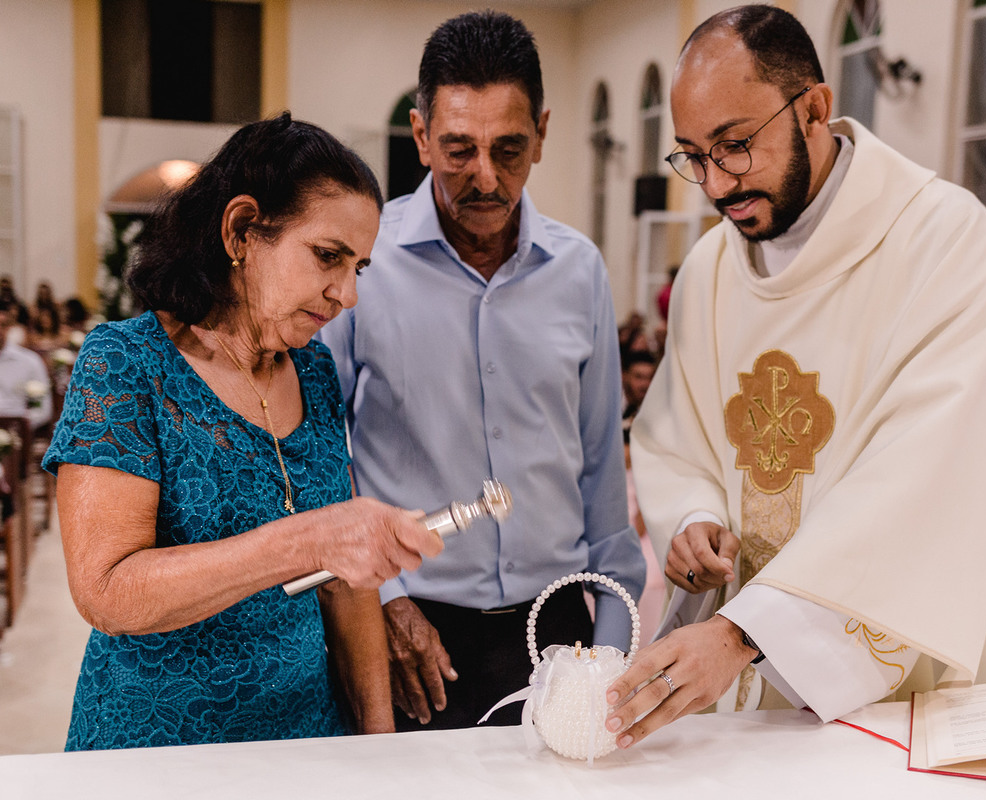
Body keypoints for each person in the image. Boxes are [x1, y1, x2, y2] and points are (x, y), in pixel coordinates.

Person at [606, 5, 986, 749]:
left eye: (734, 146)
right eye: (693, 156)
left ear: (816, 108)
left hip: (901, 690)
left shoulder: (945, 246)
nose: (715, 185)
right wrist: (694, 517)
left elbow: (925, 482)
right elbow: (676, 436)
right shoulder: (710, 270)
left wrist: (741, 634)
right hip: (741, 690)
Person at [42, 112, 445, 751]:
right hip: (157, 748)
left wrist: (379, 747)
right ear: (241, 231)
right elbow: (108, 590)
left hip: (303, 739)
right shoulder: (127, 362)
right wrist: (306, 540)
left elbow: (345, 588)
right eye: (327, 257)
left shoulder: (312, 370)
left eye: (358, 268)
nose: (346, 294)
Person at [319, 10, 644, 731]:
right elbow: (319, 453)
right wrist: (384, 599)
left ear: (545, 133)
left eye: (510, 148)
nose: (487, 177)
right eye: (459, 149)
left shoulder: (580, 271)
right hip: (412, 632)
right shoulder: (362, 265)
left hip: (557, 628)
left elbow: (600, 474)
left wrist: (610, 651)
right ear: (421, 134)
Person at [0, 303, 52, 431]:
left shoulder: (29, 361)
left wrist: (20, 426)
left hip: (18, 432)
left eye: (2, 325)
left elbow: (42, 408)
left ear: (9, 327)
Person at [621, 349, 657, 420]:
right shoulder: (610, 404)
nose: (645, 384)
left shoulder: (656, 408)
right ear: (624, 376)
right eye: (639, 377)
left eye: (650, 378)